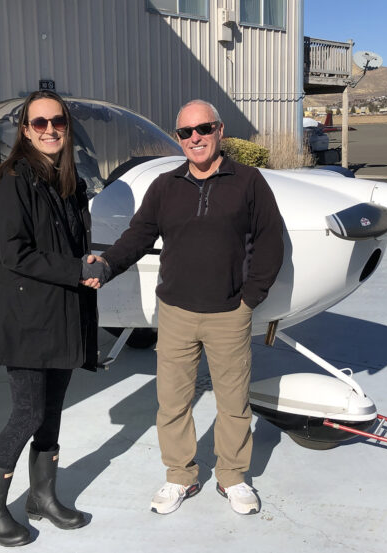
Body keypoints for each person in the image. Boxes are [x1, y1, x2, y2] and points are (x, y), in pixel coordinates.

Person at [85, 99, 284, 516]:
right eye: (186, 133)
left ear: (219, 131)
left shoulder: (249, 182)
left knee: (233, 402)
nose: (195, 138)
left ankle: (233, 477)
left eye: (203, 129)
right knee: (172, 402)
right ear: (179, 139)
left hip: (229, 311)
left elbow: (270, 242)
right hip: (174, 312)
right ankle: (180, 476)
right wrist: (106, 265)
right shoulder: (165, 186)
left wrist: (251, 298)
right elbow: (137, 236)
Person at [0, 90, 101, 547]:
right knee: (27, 413)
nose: (50, 129)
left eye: (58, 122)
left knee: (50, 414)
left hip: (64, 314)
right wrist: (77, 270)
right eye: (40, 122)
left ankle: (42, 498)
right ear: (26, 130)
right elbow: (15, 255)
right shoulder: (11, 180)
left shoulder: (67, 183)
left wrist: (84, 262)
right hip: (27, 317)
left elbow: (64, 247)